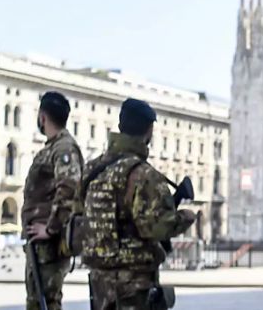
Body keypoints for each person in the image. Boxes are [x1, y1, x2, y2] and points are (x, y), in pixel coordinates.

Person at [82, 98, 195, 310]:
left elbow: (79, 215)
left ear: (120, 126)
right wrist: (185, 217)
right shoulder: (144, 175)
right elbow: (159, 226)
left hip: (99, 282)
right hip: (133, 284)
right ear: (149, 131)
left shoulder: (92, 169)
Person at [21, 91, 83, 310]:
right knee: (38, 301)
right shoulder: (53, 147)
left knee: (46, 302)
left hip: (49, 245)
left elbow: (69, 188)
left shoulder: (63, 148)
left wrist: (50, 228)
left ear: (42, 117)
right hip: (40, 245)